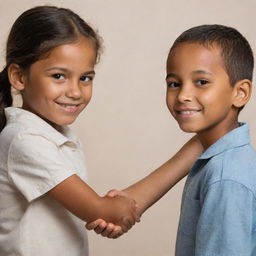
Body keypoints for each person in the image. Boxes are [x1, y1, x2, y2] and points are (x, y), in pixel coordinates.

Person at [0, 5, 203, 256]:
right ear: (19, 77)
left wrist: (113, 209)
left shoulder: (54, 135)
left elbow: (103, 211)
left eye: (85, 78)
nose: (75, 91)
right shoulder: (25, 140)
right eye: (59, 76)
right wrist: (111, 210)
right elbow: (103, 212)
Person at [89, 24, 256, 256]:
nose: (183, 95)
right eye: (174, 84)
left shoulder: (225, 178)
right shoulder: (225, 155)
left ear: (240, 92)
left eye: (201, 82)